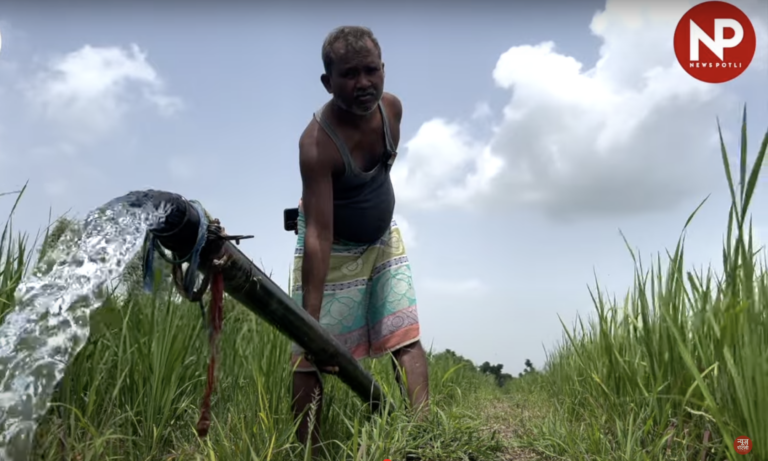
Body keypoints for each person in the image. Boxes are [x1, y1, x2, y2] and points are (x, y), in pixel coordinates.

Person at [288, 25, 430, 455]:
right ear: (327, 82)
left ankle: (424, 439)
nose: (363, 82)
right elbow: (319, 232)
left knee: (405, 334)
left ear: (383, 69)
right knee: (308, 355)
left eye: (371, 70)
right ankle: (309, 452)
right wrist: (311, 325)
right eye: (349, 74)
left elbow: (380, 173)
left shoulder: (392, 110)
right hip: (331, 249)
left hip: (383, 240)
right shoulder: (317, 144)